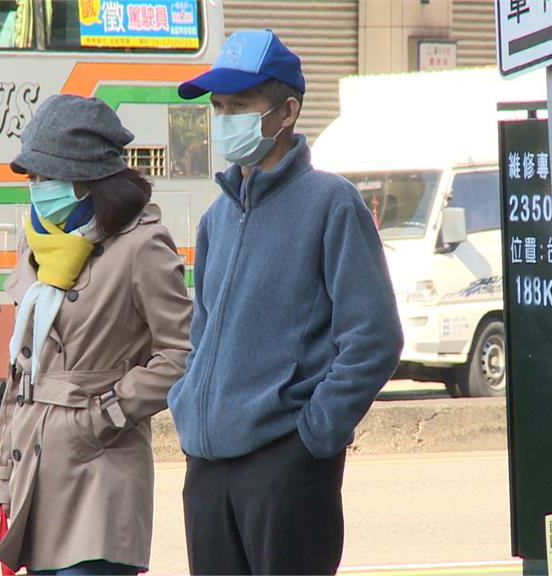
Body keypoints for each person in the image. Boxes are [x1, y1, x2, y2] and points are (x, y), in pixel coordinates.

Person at [167, 29, 404, 575]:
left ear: (286, 111)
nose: (225, 118)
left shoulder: (331, 204)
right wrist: (188, 406)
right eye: (219, 106)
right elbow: (200, 336)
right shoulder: (215, 219)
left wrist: (313, 436)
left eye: (241, 105)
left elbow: (374, 339)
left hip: (285, 466)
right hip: (208, 469)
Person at [0, 94, 192, 575]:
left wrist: (105, 414)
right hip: (35, 475)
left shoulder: (141, 244)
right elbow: (22, 374)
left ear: (86, 180)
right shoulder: (37, 243)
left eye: (47, 176)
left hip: (101, 477)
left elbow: (182, 353)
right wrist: (2, 479)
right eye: (32, 177)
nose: (37, 189)